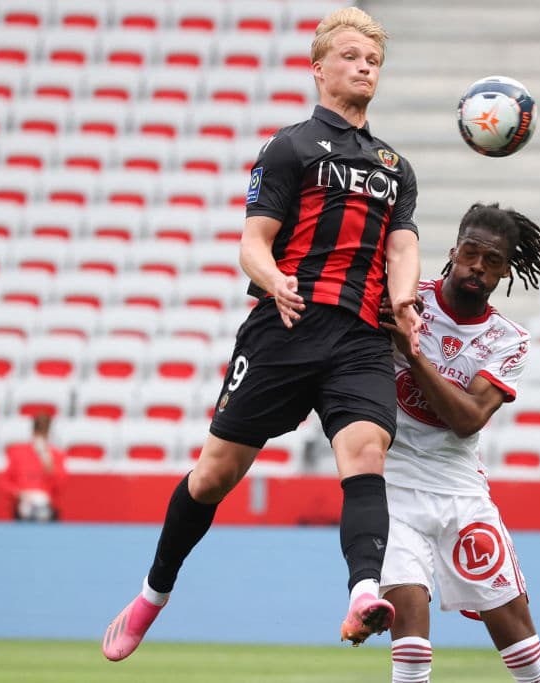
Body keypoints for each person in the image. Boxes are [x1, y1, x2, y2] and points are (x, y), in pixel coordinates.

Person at [103, 6, 422, 661]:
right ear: (319, 68)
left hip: (361, 337)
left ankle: (364, 590)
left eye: (373, 60)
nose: (365, 67)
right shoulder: (291, 147)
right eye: (352, 57)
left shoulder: (395, 166)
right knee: (215, 475)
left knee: (365, 455)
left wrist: (405, 301)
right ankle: (151, 595)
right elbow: (253, 242)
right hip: (286, 326)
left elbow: (402, 245)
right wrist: (274, 279)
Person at [379, 203, 540, 683]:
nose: (477, 266)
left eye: (493, 260)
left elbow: (467, 420)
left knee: (527, 656)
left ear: (506, 271)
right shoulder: (402, 302)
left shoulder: (509, 340)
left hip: (461, 495)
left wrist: (411, 354)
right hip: (392, 491)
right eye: (470, 252)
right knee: (412, 656)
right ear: (453, 250)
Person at [1, 413, 67, 522]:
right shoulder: (18, 452)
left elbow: (60, 485)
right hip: (23, 504)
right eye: (39, 431)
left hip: (45, 505)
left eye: (44, 432)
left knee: (44, 511)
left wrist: (48, 463)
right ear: (33, 432)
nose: (41, 436)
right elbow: (4, 482)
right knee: (26, 510)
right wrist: (19, 493)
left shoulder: (55, 455)